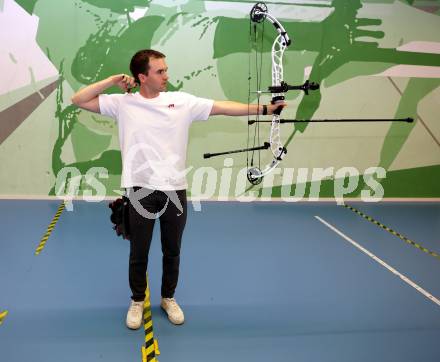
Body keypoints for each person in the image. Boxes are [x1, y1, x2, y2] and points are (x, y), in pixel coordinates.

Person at [71, 49, 285, 329]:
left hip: (175, 190)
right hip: (140, 190)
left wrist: (265, 110)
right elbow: (78, 99)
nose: (166, 76)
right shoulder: (123, 104)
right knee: (139, 251)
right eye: (160, 71)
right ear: (142, 76)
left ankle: (168, 298)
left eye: (165, 70)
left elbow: (223, 107)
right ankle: (137, 300)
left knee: (172, 250)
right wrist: (112, 80)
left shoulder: (181, 102)